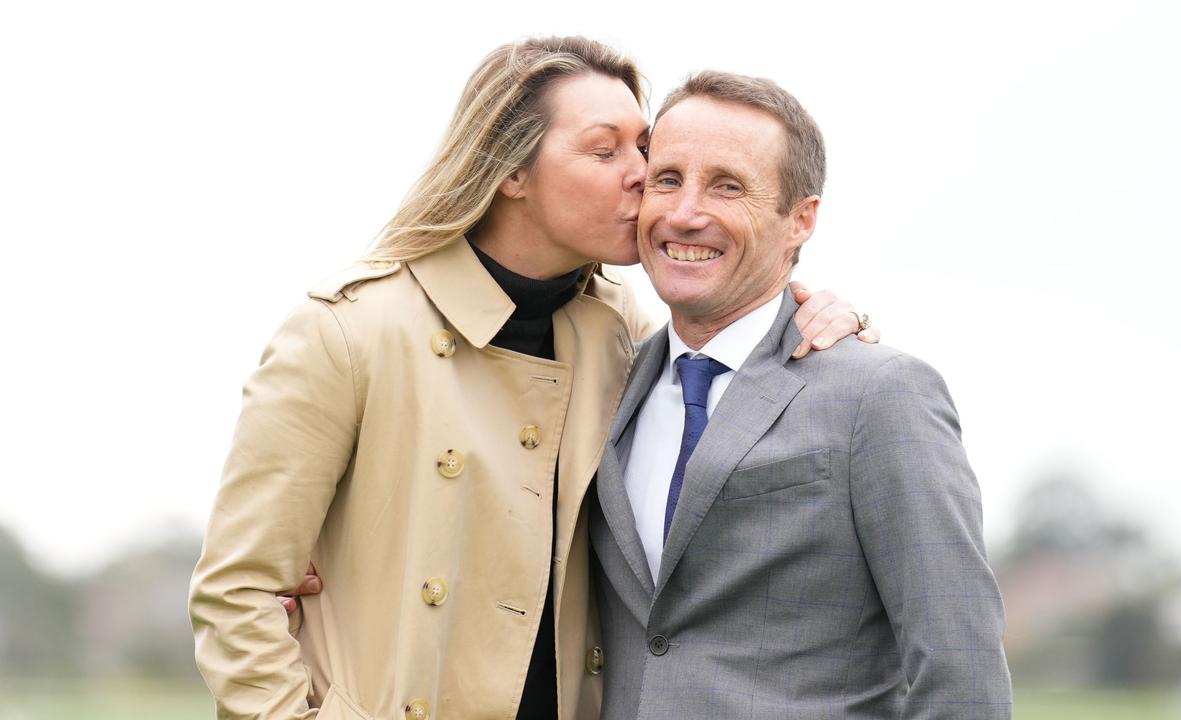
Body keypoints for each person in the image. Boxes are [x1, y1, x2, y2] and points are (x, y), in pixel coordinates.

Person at [188, 38, 871, 720]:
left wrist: (813, 314)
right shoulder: (350, 330)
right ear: (512, 170)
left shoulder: (622, 336)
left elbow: (736, 367)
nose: (643, 173)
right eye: (606, 151)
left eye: (643, 147)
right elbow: (237, 591)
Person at [587, 71, 1012, 718]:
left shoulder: (879, 395)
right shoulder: (605, 385)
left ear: (800, 220)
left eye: (727, 186)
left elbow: (962, 676)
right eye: (667, 179)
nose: (684, 213)